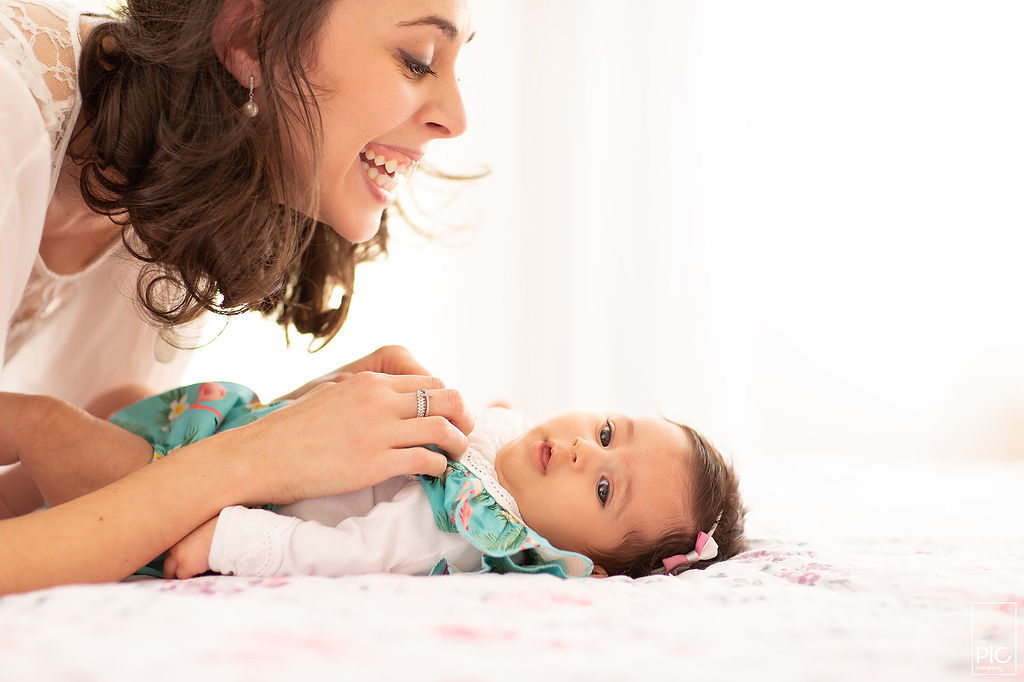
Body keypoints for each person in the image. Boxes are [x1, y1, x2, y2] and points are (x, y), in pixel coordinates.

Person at [0, 0, 475, 595]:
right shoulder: (9, 108)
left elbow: (93, 494)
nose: (457, 118)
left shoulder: (181, 194)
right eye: (417, 60)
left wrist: (280, 427)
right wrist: (253, 457)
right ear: (253, 35)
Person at [5, 381, 747, 579]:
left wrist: (225, 537)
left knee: (49, 429)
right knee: (112, 401)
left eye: (604, 491)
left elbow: (344, 551)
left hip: (196, 493)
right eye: (609, 431)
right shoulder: (498, 439)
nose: (585, 449)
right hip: (228, 430)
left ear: (589, 563)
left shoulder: (457, 528)